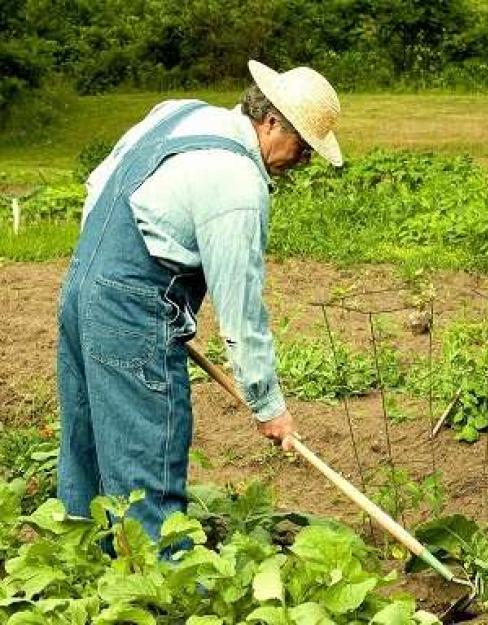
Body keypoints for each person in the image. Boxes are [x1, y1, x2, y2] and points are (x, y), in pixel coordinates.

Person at [56, 60, 342, 542]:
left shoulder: (181, 113)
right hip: (130, 313)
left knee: (85, 450)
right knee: (147, 461)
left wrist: (105, 286)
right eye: (305, 147)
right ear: (272, 122)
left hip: (81, 287)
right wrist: (268, 404)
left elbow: (99, 184)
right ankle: (164, 598)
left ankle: (80, 567)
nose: (304, 161)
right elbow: (241, 308)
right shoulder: (238, 183)